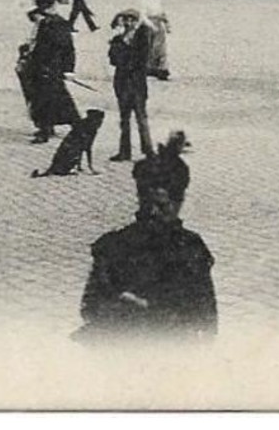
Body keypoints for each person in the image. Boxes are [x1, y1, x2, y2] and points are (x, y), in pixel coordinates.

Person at [78, 132, 216, 340]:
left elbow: (206, 322)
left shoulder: (191, 250)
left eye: (161, 206)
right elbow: (90, 308)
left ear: (179, 204)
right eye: (145, 203)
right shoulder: (114, 246)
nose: (152, 212)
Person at [26, 0, 82, 143]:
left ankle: (73, 125)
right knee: (41, 97)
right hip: (38, 65)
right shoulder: (43, 20)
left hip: (51, 67)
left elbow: (68, 49)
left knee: (54, 97)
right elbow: (32, 14)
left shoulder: (58, 24)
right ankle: (47, 126)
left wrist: (69, 70)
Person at [108, 10, 155, 162]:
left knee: (141, 118)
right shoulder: (118, 39)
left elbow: (142, 60)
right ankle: (124, 151)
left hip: (137, 85)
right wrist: (121, 43)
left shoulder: (143, 37)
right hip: (122, 84)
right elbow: (113, 59)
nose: (129, 24)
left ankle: (148, 150)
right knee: (124, 119)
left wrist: (125, 54)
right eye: (126, 21)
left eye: (132, 20)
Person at [137, 0, 171, 81]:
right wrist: (151, 25)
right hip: (149, 24)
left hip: (158, 23)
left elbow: (162, 13)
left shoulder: (158, 0)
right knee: (149, 47)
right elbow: (143, 15)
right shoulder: (145, 0)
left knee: (161, 47)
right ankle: (149, 67)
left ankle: (162, 68)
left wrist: (167, 24)